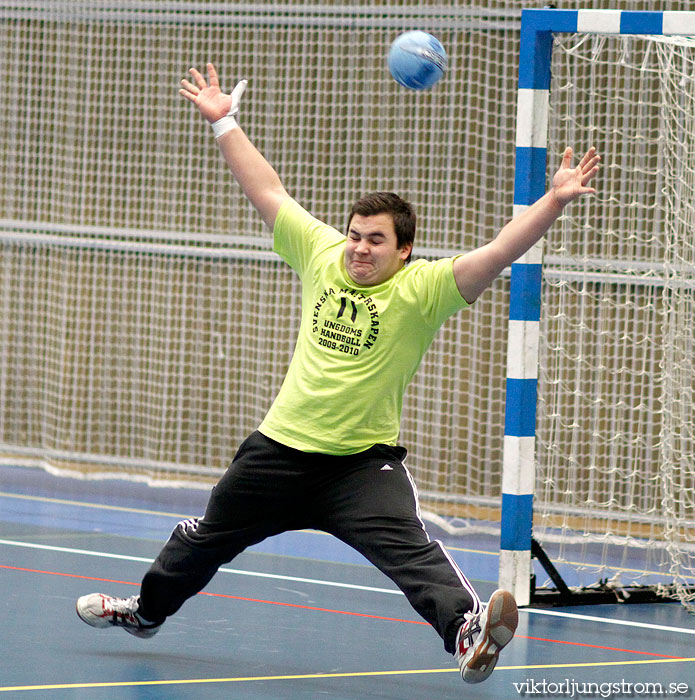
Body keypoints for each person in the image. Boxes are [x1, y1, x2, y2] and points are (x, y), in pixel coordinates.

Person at [76, 63, 600, 685]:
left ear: (403, 249)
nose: (358, 248)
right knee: (201, 541)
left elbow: (500, 250)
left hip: (358, 464)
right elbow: (266, 189)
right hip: (277, 451)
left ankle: (466, 634)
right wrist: (224, 123)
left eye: (374, 240)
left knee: (412, 551)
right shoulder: (321, 254)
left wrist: (554, 199)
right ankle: (146, 612)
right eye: (355, 235)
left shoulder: (425, 288)